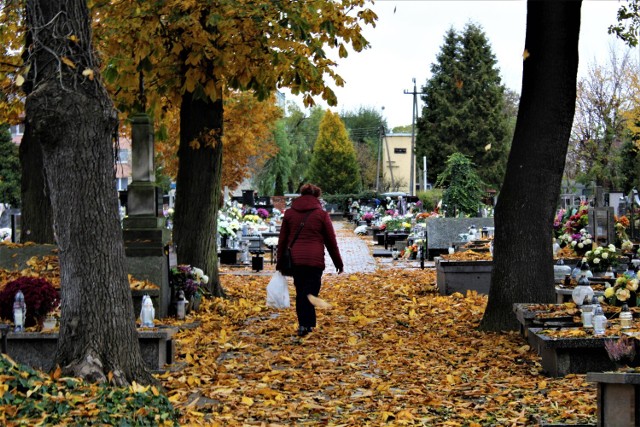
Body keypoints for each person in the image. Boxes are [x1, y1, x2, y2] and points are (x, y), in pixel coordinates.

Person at [276, 183, 344, 336]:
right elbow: (330, 241)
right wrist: (338, 263)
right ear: (317, 196)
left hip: (296, 260)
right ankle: (307, 324)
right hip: (315, 261)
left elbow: (283, 240)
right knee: (311, 292)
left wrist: (280, 262)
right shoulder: (321, 215)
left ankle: (303, 325)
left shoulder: (289, 213)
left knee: (301, 291)